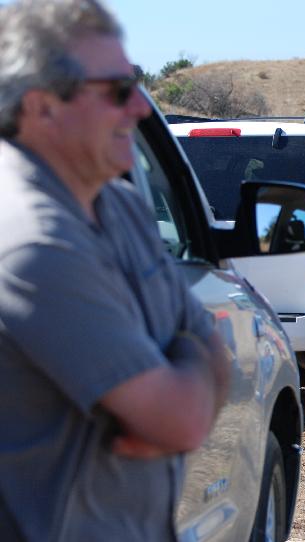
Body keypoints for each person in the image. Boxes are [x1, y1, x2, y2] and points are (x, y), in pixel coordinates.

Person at [0, 1, 230, 540]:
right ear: (42, 107)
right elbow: (185, 419)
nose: (141, 111)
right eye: (118, 91)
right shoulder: (33, 243)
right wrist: (191, 370)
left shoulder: (119, 203)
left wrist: (187, 367)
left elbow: (202, 343)